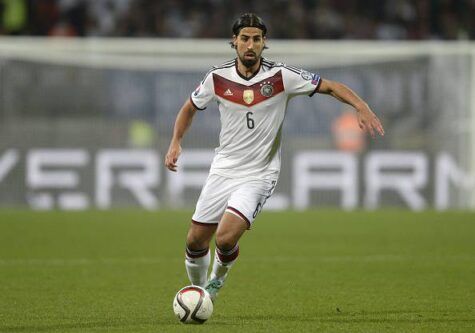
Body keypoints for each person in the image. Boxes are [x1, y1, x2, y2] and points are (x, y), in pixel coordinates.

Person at [164, 13, 385, 302]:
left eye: (256, 39)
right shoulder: (216, 78)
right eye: (245, 38)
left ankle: (215, 282)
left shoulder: (282, 77)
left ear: (264, 42)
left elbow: (330, 86)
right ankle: (197, 292)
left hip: (259, 174)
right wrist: (175, 142)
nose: (250, 45)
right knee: (195, 240)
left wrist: (362, 106)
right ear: (235, 42)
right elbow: (189, 108)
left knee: (226, 237)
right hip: (223, 168)